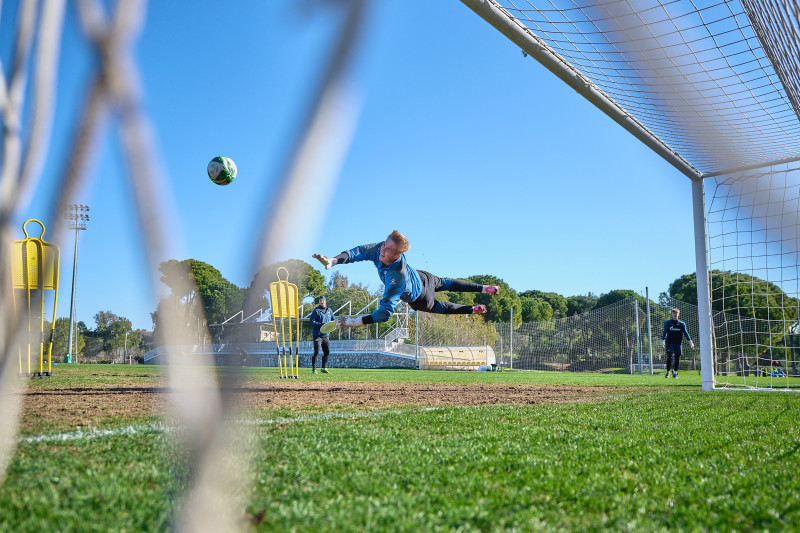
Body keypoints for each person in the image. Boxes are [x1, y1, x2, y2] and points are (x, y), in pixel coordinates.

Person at [313, 229, 500, 328]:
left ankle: (474, 306)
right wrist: (334, 260)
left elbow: (384, 314)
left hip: (421, 298)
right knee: (448, 283)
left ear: (396, 256)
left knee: (442, 307)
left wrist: (353, 322)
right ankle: (485, 289)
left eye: (388, 250)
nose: (382, 251)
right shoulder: (380, 249)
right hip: (422, 276)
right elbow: (358, 252)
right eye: (384, 246)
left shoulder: (396, 278)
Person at [661, 308, 694, 379]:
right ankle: (668, 372)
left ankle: (675, 373)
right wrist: (662, 340)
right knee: (669, 356)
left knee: (677, 357)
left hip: (678, 343)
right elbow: (665, 332)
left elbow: (685, 333)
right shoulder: (668, 323)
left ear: (678, 314)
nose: (675, 315)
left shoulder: (682, 324)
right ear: (672, 314)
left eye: (676, 313)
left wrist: (690, 341)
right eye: (673, 313)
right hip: (669, 343)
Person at [308, 295, 335, 374]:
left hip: (326, 335)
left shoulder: (329, 310)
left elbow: (333, 320)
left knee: (327, 352)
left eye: (322, 300)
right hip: (318, 335)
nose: (321, 301)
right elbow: (311, 322)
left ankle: (323, 368)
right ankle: (314, 369)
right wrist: (320, 324)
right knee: (316, 351)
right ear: (319, 302)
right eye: (320, 300)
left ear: (325, 301)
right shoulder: (316, 311)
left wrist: (335, 325)